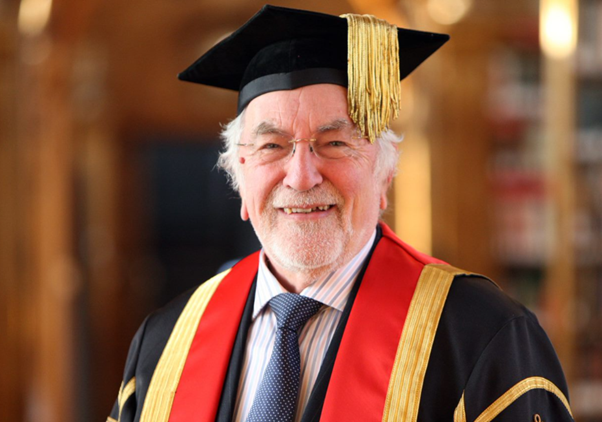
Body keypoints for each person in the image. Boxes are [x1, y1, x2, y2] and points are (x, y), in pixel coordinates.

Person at [108, 5, 573, 422]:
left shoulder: (482, 336)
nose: (302, 175)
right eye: (273, 146)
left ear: (385, 175)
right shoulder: (165, 341)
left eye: (335, 143)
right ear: (241, 177)